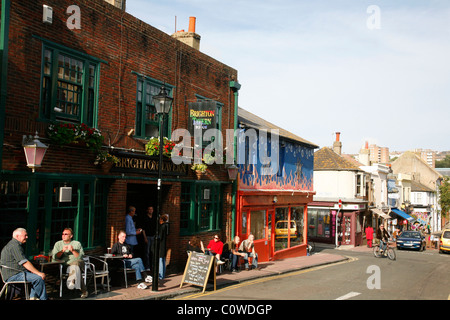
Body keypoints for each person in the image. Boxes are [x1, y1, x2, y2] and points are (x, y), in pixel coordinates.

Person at [0, 228, 47, 300]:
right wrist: (37, 272)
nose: (27, 237)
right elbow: (24, 262)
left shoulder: (15, 245)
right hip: (13, 274)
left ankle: (33, 298)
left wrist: (35, 272)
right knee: (38, 278)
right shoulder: (14, 246)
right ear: (17, 236)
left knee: (36, 275)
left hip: (17, 272)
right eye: (25, 235)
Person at [52, 228, 88, 298]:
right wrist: (62, 251)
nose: (63, 236)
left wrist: (73, 250)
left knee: (76, 263)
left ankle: (71, 279)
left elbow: (80, 257)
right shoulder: (58, 244)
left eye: (66, 234)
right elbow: (55, 257)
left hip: (78, 262)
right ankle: (84, 291)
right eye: (63, 234)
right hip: (66, 264)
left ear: (71, 236)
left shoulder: (77, 243)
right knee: (76, 270)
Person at [139, 206, 156, 271]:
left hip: (153, 236)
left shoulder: (154, 218)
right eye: (149, 209)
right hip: (148, 236)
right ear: (147, 210)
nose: (150, 210)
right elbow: (143, 229)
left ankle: (153, 266)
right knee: (147, 252)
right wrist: (145, 237)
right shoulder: (145, 218)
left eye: (151, 209)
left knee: (153, 252)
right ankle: (147, 266)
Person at [156, 214, 169, 280]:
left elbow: (160, 237)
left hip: (161, 245)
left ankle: (160, 275)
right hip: (164, 245)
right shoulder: (166, 226)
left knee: (160, 260)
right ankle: (163, 274)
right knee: (163, 260)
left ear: (161, 220)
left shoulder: (162, 227)